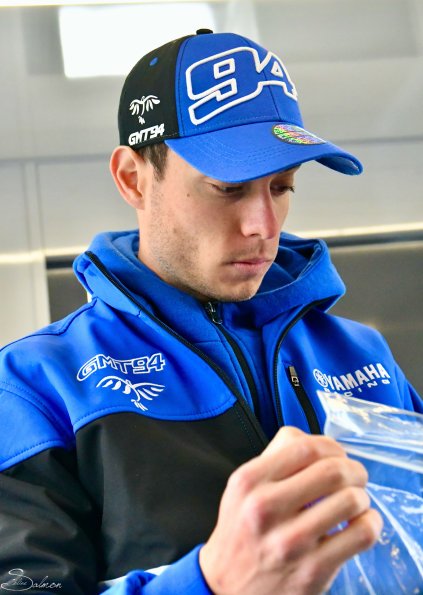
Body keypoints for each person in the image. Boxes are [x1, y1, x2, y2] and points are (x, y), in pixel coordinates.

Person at [0, 28, 421, 595]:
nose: (263, 226)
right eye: (228, 188)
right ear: (132, 179)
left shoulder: (361, 354)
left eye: (282, 187)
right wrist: (211, 582)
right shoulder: (34, 386)